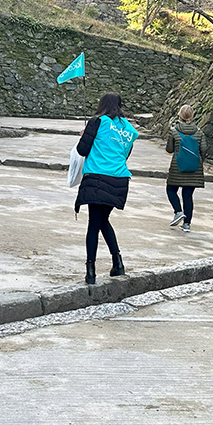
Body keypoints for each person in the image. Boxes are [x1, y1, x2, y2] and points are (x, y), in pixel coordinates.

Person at [75, 92, 137, 284]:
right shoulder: (129, 130)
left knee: (94, 223)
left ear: (102, 104)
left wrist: (84, 136)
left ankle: (90, 270)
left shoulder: (97, 121)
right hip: (119, 179)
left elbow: (82, 150)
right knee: (103, 220)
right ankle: (117, 263)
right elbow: (124, 155)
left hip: (97, 176)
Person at [165, 104, 206, 232]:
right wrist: (198, 161)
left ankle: (178, 211)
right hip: (194, 169)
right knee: (188, 195)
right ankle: (187, 224)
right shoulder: (199, 132)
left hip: (178, 167)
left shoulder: (174, 131)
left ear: (180, 115)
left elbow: (169, 149)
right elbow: (204, 150)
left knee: (171, 190)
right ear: (192, 116)